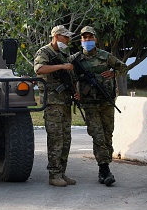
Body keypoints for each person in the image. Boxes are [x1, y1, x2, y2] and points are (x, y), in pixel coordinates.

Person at [71, 26, 128, 186]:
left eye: (90, 37)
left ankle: (105, 165)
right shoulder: (75, 59)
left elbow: (123, 67)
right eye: (84, 38)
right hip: (89, 104)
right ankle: (104, 169)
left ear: (95, 39)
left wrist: (113, 73)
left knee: (107, 134)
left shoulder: (105, 56)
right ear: (81, 40)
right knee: (98, 135)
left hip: (106, 102)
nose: (87, 40)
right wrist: (75, 92)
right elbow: (69, 76)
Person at [34, 25, 76, 187]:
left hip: (65, 102)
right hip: (52, 103)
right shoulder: (44, 52)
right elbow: (39, 69)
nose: (68, 40)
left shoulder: (64, 53)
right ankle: (54, 174)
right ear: (57, 36)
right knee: (55, 138)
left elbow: (70, 75)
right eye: (66, 37)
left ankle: (62, 172)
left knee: (66, 139)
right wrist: (62, 66)